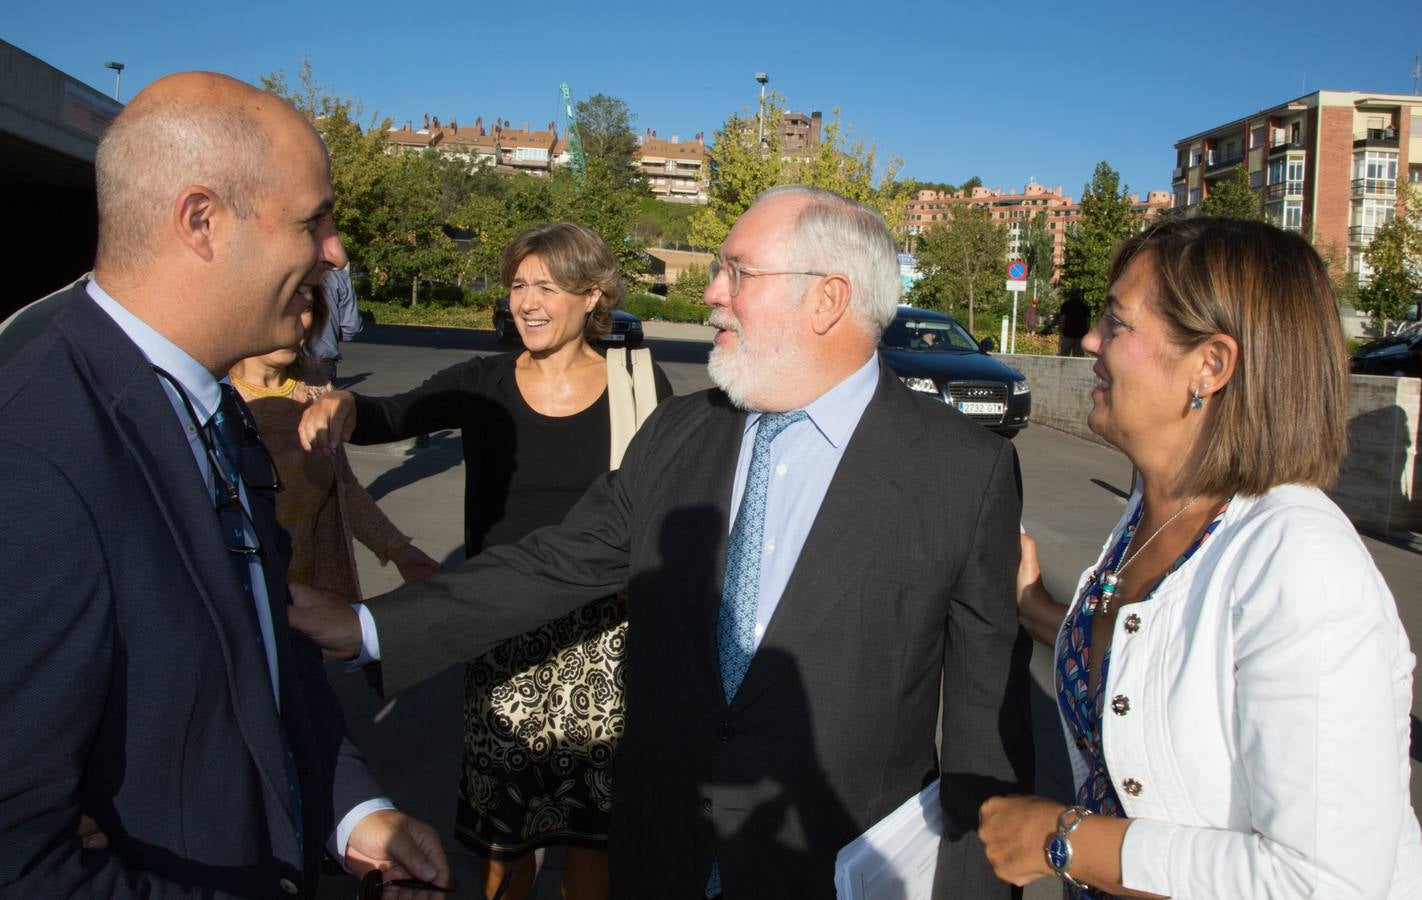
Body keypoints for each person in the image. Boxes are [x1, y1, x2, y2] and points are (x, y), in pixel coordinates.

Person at [291, 185, 1034, 898]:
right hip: (660, 857)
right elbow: (556, 561)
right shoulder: (681, 433)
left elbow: (984, 738)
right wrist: (367, 626)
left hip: (831, 866)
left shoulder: (963, 472)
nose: (712, 291)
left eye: (737, 271)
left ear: (828, 298)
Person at [0, 72, 449, 896]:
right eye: (314, 219)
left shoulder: (217, 413)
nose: (336, 251)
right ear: (201, 221)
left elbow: (265, 652)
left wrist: (352, 811)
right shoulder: (34, 455)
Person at [980, 216, 1422, 898]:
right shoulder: (1156, 512)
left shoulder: (1302, 565)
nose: (1091, 340)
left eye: (1118, 322)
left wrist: (1063, 840)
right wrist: (1036, 607)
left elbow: (1326, 882)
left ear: (1211, 365)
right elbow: (1158, 662)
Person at [298, 222, 672, 900]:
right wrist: (343, 403)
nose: (526, 301)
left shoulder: (639, 385)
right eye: (518, 285)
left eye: (547, 286)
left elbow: (671, 504)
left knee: (592, 834)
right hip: (497, 633)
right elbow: (392, 413)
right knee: (506, 836)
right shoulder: (484, 382)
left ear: (592, 297)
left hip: (605, 640)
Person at [228, 284, 441, 599]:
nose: (297, 321)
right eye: (283, 306)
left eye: (307, 308)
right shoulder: (216, 397)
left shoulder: (314, 385)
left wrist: (399, 550)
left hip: (316, 591)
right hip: (247, 596)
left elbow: (344, 486)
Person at [309, 263, 362, 383]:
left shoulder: (283, 269)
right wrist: (330, 335)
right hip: (323, 362)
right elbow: (351, 327)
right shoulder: (338, 275)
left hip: (286, 364)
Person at [1057, 289, 1090, 357]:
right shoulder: (1084, 306)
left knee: (1063, 357)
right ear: (1080, 295)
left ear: (1070, 295)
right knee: (1079, 358)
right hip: (1080, 335)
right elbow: (1088, 322)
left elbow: (1063, 319)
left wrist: (1060, 331)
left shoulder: (1066, 305)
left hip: (1067, 334)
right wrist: (1086, 333)